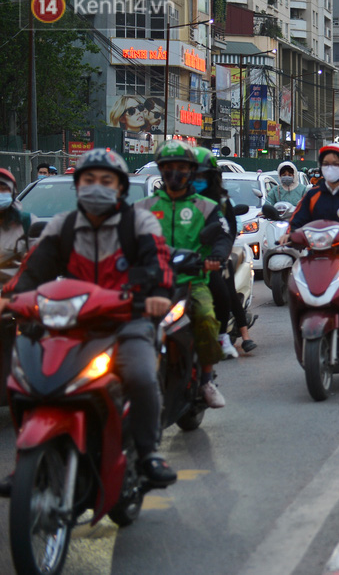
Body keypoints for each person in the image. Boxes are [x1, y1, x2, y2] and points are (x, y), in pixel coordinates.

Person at [0, 149, 178, 489]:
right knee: (23, 377)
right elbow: (32, 272)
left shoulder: (138, 223)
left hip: (127, 320)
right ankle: (25, 459)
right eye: (89, 180)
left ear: (120, 188)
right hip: (68, 324)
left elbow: (158, 265)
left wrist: (155, 295)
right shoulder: (62, 226)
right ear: (78, 186)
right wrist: (9, 298)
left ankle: (148, 452)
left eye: (106, 181)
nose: (97, 187)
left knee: (141, 374)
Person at [136, 140, 230, 409]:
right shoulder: (142, 207)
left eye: (181, 168)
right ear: (160, 171)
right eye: (168, 168)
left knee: (205, 317)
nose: (175, 173)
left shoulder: (207, 207)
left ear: (191, 171)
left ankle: (206, 379)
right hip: (150, 285)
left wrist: (216, 257)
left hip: (192, 282)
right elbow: (124, 239)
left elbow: (222, 235)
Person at [193, 147, 256, 358]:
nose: (196, 180)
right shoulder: (180, 201)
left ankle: (244, 336)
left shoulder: (221, 202)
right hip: (186, 259)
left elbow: (228, 230)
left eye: (201, 176)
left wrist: (220, 254)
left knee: (226, 291)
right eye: (193, 175)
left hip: (215, 258)